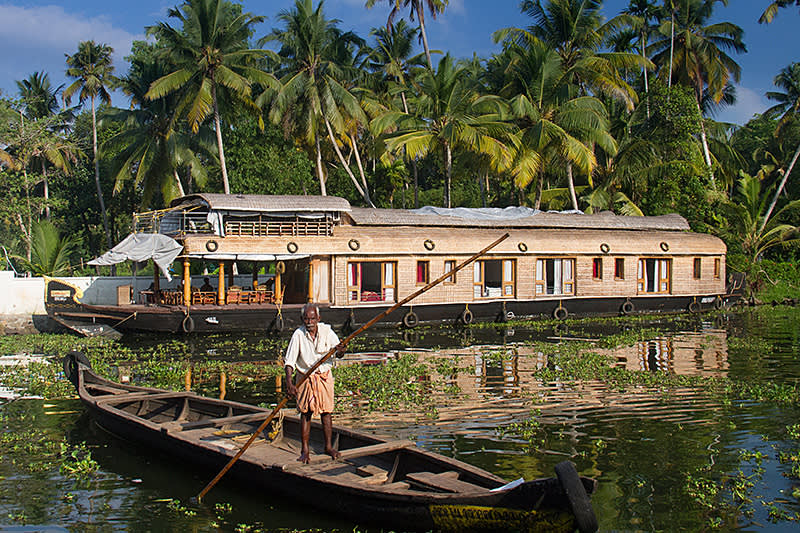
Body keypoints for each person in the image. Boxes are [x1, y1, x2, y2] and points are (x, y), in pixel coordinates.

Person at [284, 303, 346, 464]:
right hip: (305, 377)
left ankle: (328, 447)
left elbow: (339, 353)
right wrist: (289, 383)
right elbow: (289, 361)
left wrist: (341, 351)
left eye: (312, 318)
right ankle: (304, 450)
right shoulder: (298, 334)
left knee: (326, 412)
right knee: (305, 413)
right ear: (302, 319)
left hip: (324, 376)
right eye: (306, 319)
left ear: (318, 318)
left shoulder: (327, 332)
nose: (309, 322)